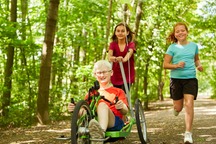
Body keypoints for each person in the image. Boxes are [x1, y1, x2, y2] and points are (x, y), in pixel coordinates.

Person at [68, 60, 129, 144]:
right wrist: (75, 110)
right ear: (95, 75)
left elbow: (125, 111)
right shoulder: (91, 93)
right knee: (82, 109)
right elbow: (84, 111)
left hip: (114, 122)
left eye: (104, 72)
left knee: (102, 105)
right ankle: (83, 133)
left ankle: (99, 135)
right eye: (99, 73)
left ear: (111, 72)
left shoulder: (118, 91)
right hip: (94, 122)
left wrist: (122, 107)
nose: (102, 75)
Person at [163, 22, 203, 144]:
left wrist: (199, 65)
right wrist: (176, 65)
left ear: (187, 31)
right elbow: (165, 65)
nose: (180, 33)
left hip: (190, 78)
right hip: (176, 80)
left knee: (189, 103)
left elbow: (196, 59)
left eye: (182, 30)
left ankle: (188, 134)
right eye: (177, 31)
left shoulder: (194, 46)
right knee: (178, 107)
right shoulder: (172, 48)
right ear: (175, 34)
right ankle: (176, 108)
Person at [108, 22, 136, 93]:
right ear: (115, 33)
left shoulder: (131, 44)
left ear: (127, 33)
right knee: (116, 94)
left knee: (124, 93)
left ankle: (126, 103)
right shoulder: (112, 44)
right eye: (118, 31)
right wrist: (115, 58)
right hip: (116, 74)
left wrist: (123, 59)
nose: (120, 33)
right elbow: (109, 56)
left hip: (128, 74)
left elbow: (128, 55)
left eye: (123, 31)